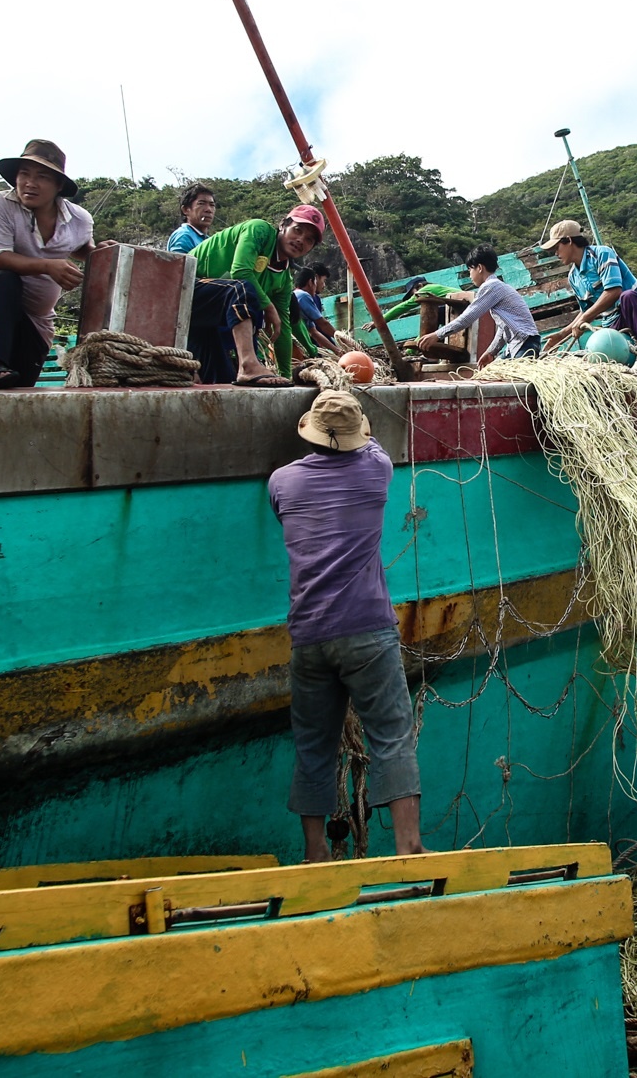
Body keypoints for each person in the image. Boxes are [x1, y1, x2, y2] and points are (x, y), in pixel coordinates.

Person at [268, 389, 423, 862]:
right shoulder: (375, 471)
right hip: (367, 632)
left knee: (314, 747)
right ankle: (407, 847)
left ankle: (315, 854)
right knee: (392, 736)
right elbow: (371, 445)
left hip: (309, 637)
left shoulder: (281, 482)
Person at [0, 140, 99, 389]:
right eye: (24, 174)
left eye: (42, 177)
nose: (29, 183)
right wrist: (49, 266)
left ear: (58, 185)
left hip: (36, 318)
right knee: (4, 278)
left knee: (21, 386)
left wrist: (99, 253)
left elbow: (78, 248)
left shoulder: (79, 219)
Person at [191, 206, 324, 386]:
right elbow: (240, 271)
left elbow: (282, 326)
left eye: (309, 240)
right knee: (243, 289)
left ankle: (246, 367)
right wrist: (268, 307)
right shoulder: (259, 230)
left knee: (223, 378)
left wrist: (285, 375)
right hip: (185, 291)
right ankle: (248, 365)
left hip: (204, 320)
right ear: (283, 225)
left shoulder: (284, 279)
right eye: (297, 230)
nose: (300, 240)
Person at [535, 220, 637, 360]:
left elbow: (613, 291)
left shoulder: (602, 254)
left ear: (568, 240)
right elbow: (586, 311)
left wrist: (584, 319)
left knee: (628, 296)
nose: (556, 253)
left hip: (636, 312)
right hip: (612, 321)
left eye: (557, 247)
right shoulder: (573, 277)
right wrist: (562, 334)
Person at [420, 247, 540, 367]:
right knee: (492, 373)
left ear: (480, 268)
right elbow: (503, 327)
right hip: (523, 343)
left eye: (470, 270)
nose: (470, 275)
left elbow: (468, 317)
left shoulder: (491, 286)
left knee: (516, 383)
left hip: (524, 344)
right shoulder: (499, 286)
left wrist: (437, 334)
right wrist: (491, 352)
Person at [293, 266, 338, 353]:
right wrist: (342, 339)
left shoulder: (296, 295)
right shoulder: (303, 295)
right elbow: (323, 324)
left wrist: (337, 350)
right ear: (311, 282)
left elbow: (314, 332)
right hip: (298, 349)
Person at [166, 183, 216, 254]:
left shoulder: (208, 240)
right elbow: (179, 264)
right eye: (201, 203)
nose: (208, 209)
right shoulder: (184, 236)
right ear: (185, 210)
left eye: (212, 205)